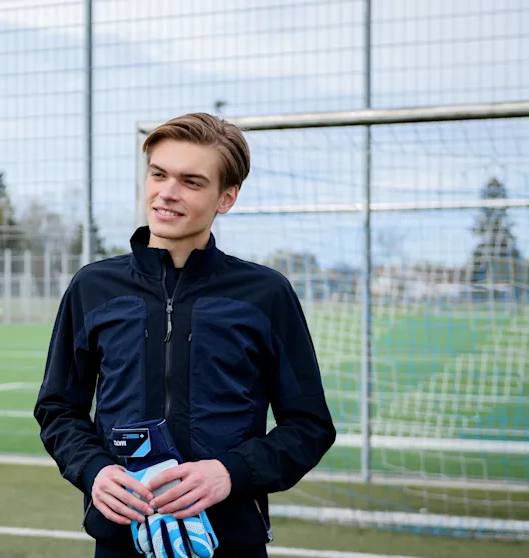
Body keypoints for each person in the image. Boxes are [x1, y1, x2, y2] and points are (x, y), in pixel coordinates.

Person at [33, 113, 336, 558]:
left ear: (226, 197)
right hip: (123, 539)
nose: (167, 192)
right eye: (159, 174)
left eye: (192, 182)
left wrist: (230, 472)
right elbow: (58, 409)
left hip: (230, 542)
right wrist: (94, 470)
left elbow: (310, 426)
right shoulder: (92, 288)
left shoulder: (265, 295)